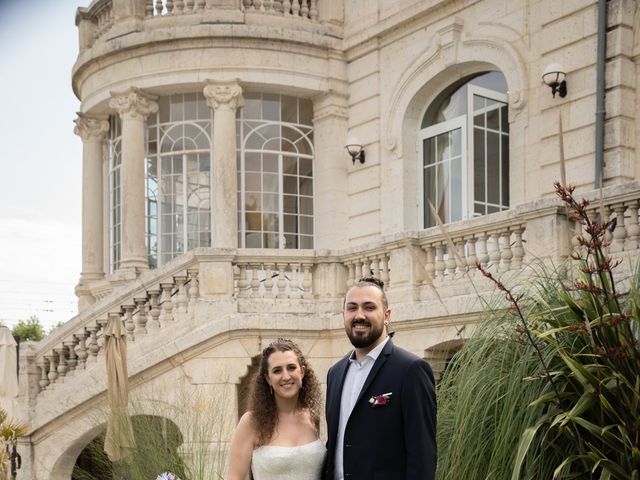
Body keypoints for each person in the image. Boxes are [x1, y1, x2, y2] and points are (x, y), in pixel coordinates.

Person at [324, 276, 437, 479]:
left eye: (369, 307)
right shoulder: (335, 373)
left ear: (386, 315)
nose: (359, 315)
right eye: (352, 308)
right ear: (343, 315)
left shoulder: (411, 370)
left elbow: (422, 455)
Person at [227, 339, 325, 480]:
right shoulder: (251, 422)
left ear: (302, 371)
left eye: (291, 367)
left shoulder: (313, 417)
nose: (286, 376)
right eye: (277, 370)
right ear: (268, 378)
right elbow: (235, 477)